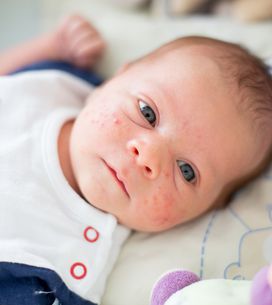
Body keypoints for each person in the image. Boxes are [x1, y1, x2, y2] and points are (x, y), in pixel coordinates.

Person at [0, 14, 272, 305]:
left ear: (205, 210)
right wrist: (51, 46)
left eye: (186, 171)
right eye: (147, 113)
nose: (149, 157)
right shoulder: (57, 82)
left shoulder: (67, 266)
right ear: (117, 78)